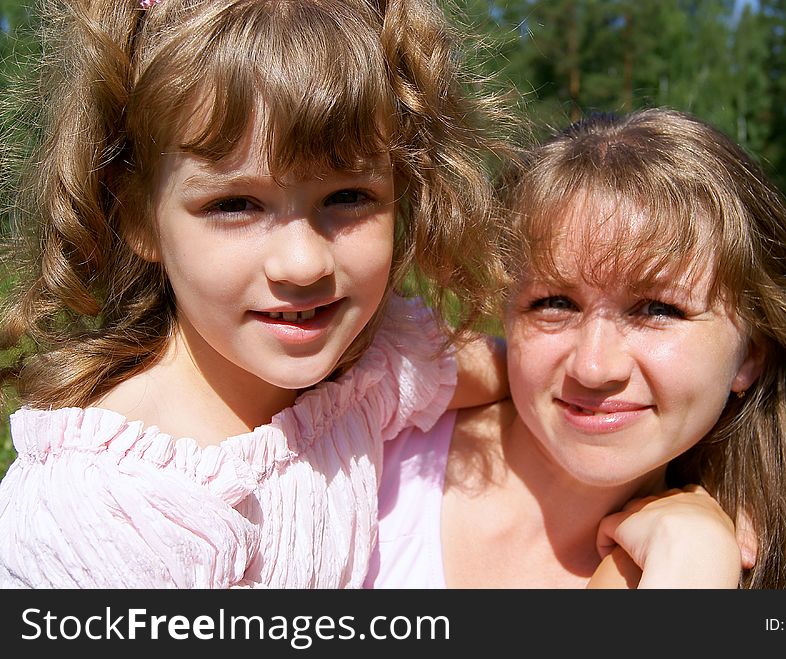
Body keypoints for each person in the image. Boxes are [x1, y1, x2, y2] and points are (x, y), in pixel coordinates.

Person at [0, 0, 516, 588]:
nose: (302, 263)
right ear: (138, 215)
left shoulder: (371, 369)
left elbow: (536, 380)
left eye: (348, 197)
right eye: (234, 204)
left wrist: (642, 499)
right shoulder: (119, 505)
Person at [366, 108, 786, 589]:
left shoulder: (747, 572)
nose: (593, 367)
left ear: (751, 355)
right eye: (554, 303)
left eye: (658, 310)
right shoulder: (359, 442)